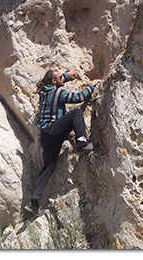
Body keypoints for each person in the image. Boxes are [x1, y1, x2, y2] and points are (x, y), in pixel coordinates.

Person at [24, 69, 100, 217]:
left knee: (48, 167)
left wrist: (66, 76)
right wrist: (91, 85)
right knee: (76, 113)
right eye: (60, 77)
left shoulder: (44, 92)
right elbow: (80, 97)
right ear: (54, 81)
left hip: (46, 136)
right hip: (53, 130)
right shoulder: (58, 93)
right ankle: (82, 143)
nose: (62, 79)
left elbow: (56, 80)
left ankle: (34, 202)